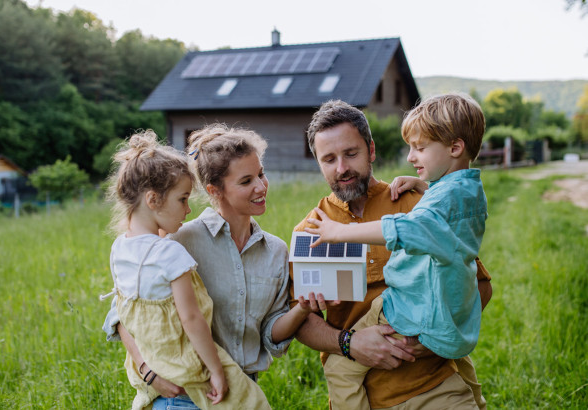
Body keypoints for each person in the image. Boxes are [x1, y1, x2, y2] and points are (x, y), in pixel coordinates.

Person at [291, 99, 493, 410]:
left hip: (435, 386)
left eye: (351, 154)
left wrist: (424, 340)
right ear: (318, 162)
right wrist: (350, 344)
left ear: (371, 150)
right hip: (362, 395)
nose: (341, 168)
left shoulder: (416, 203)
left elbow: (478, 287)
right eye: (329, 159)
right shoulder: (311, 230)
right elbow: (301, 322)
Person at [103, 124, 319, 410]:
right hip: (184, 395)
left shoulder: (276, 251)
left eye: (261, 174)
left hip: (242, 394)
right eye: (246, 181)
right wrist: (148, 372)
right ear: (214, 190)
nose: (261, 187)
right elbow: (124, 313)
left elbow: (270, 334)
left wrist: (303, 308)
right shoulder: (176, 241)